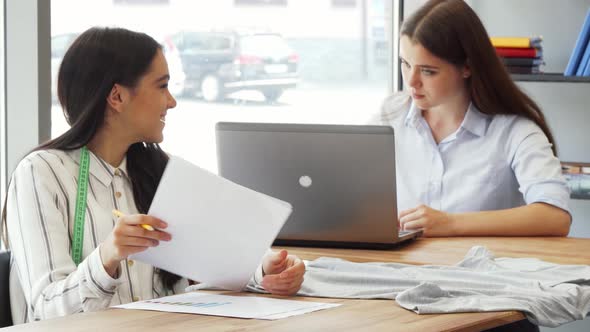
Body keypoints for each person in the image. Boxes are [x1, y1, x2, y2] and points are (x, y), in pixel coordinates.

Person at [1, 27, 305, 324]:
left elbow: (210, 257)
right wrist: (107, 256)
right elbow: (46, 309)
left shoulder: (159, 170)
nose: (171, 101)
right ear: (117, 97)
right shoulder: (41, 174)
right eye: (162, 86)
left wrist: (265, 270)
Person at [372, 0, 571, 237]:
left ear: (466, 67)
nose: (411, 81)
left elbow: (555, 216)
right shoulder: (391, 113)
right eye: (406, 64)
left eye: (428, 71)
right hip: (398, 266)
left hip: (479, 269)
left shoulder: (514, 131)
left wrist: (452, 224)